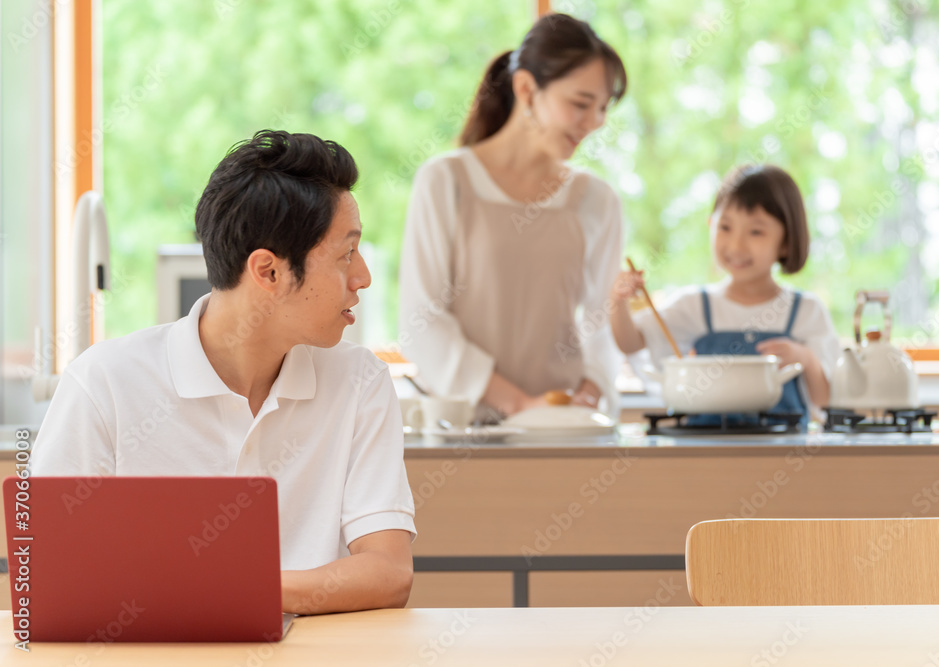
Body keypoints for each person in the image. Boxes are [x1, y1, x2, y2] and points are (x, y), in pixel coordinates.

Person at [29, 130, 416, 614]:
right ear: (268, 272)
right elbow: (51, 575)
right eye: (345, 255)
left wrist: (227, 588)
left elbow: (389, 573)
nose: (363, 277)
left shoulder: (360, 383)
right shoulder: (103, 383)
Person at [398, 13, 628, 419]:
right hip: (466, 427)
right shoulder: (446, 181)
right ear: (526, 88)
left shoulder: (598, 199)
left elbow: (602, 321)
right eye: (579, 104)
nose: (593, 123)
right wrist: (521, 406)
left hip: (564, 430)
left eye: (602, 108)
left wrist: (588, 396)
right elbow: (422, 321)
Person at [610, 164, 840, 425]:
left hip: (783, 453)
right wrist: (617, 302)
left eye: (755, 232)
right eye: (725, 227)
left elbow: (825, 400)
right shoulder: (694, 305)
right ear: (710, 225)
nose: (736, 245)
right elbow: (630, 343)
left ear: (787, 241)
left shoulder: (806, 310)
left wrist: (805, 359)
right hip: (704, 454)